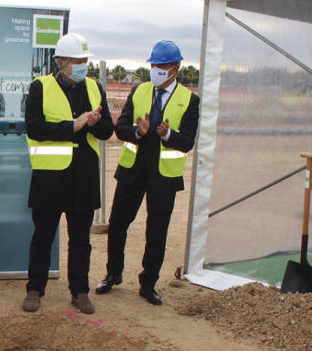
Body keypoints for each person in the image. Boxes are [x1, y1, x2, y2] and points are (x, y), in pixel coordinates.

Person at [95, 40, 199, 305]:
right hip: (132, 171)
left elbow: (187, 141)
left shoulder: (189, 100)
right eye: (153, 65)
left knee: (157, 230)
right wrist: (139, 132)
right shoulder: (139, 90)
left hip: (163, 176)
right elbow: (121, 130)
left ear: (176, 68)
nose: (156, 70)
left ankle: (148, 282)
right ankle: (113, 274)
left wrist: (168, 135)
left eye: (162, 65)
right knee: (118, 223)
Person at [22, 33, 114, 313]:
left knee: (81, 240)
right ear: (60, 62)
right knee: (43, 236)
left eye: (85, 61)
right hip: (50, 177)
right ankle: (35, 289)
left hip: (83, 177)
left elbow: (107, 130)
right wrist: (72, 126)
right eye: (77, 61)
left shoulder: (95, 88)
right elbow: (34, 127)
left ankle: (80, 291)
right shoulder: (40, 87)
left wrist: (94, 123)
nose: (83, 65)